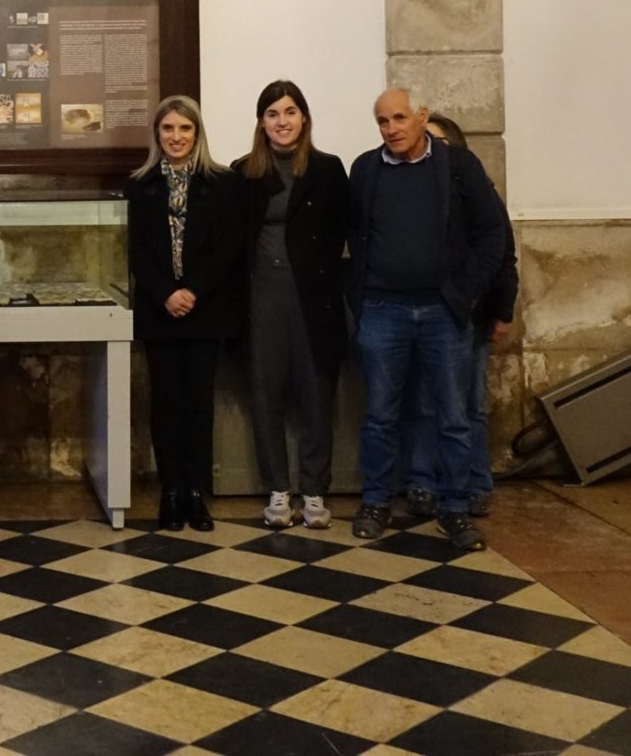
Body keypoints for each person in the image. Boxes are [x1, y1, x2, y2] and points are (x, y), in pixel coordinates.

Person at [346, 89, 509, 550]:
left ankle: (455, 508)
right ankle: (375, 500)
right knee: (380, 414)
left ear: (421, 117)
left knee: (454, 416)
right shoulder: (365, 169)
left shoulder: (458, 166)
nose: (392, 128)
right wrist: (362, 294)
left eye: (400, 118)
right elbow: (355, 233)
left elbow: (492, 231)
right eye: (382, 120)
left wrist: (467, 290)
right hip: (383, 309)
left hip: (443, 311)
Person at [232, 81, 348, 531]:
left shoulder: (328, 169)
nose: (282, 121)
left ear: (304, 118)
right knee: (266, 396)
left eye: (291, 112)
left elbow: (341, 230)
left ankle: (314, 490)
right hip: (261, 299)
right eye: (273, 113)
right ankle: (278, 491)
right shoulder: (244, 173)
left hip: (312, 299)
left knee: (316, 394)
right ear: (261, 122)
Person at [126, 96, 243, 532]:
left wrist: (192, 291)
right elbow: (136, 249)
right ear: (157, 135)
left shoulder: (222, 183)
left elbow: (228, 245)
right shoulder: (141, 185)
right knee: (166, 403)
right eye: (168, 129)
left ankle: (195, 493)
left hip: (205, 310)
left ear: (198, 134)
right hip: (161, 312)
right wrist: (165, 294)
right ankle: (170, 491)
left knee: (198, 404)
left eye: (185, 129)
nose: (176, 137)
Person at [399, 113, 517, 519]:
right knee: (424, 402)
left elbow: (502, 253)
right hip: (423, 312)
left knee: (469, 405)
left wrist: (501, 308)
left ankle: (474, 482)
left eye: (436, 141)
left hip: (471, 313)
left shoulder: (477, 191)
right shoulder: (413, 192)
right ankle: (422, 481)